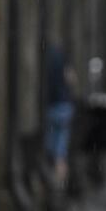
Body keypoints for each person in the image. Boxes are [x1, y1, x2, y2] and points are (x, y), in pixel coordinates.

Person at [44, 44, 76, 190]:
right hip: (63, 106)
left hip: (51, 107)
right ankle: (60, 185)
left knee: (52, 145)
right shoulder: (63, 59)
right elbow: (71, 79)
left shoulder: (48, 61)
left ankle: (52, 180)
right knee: (61, 151)